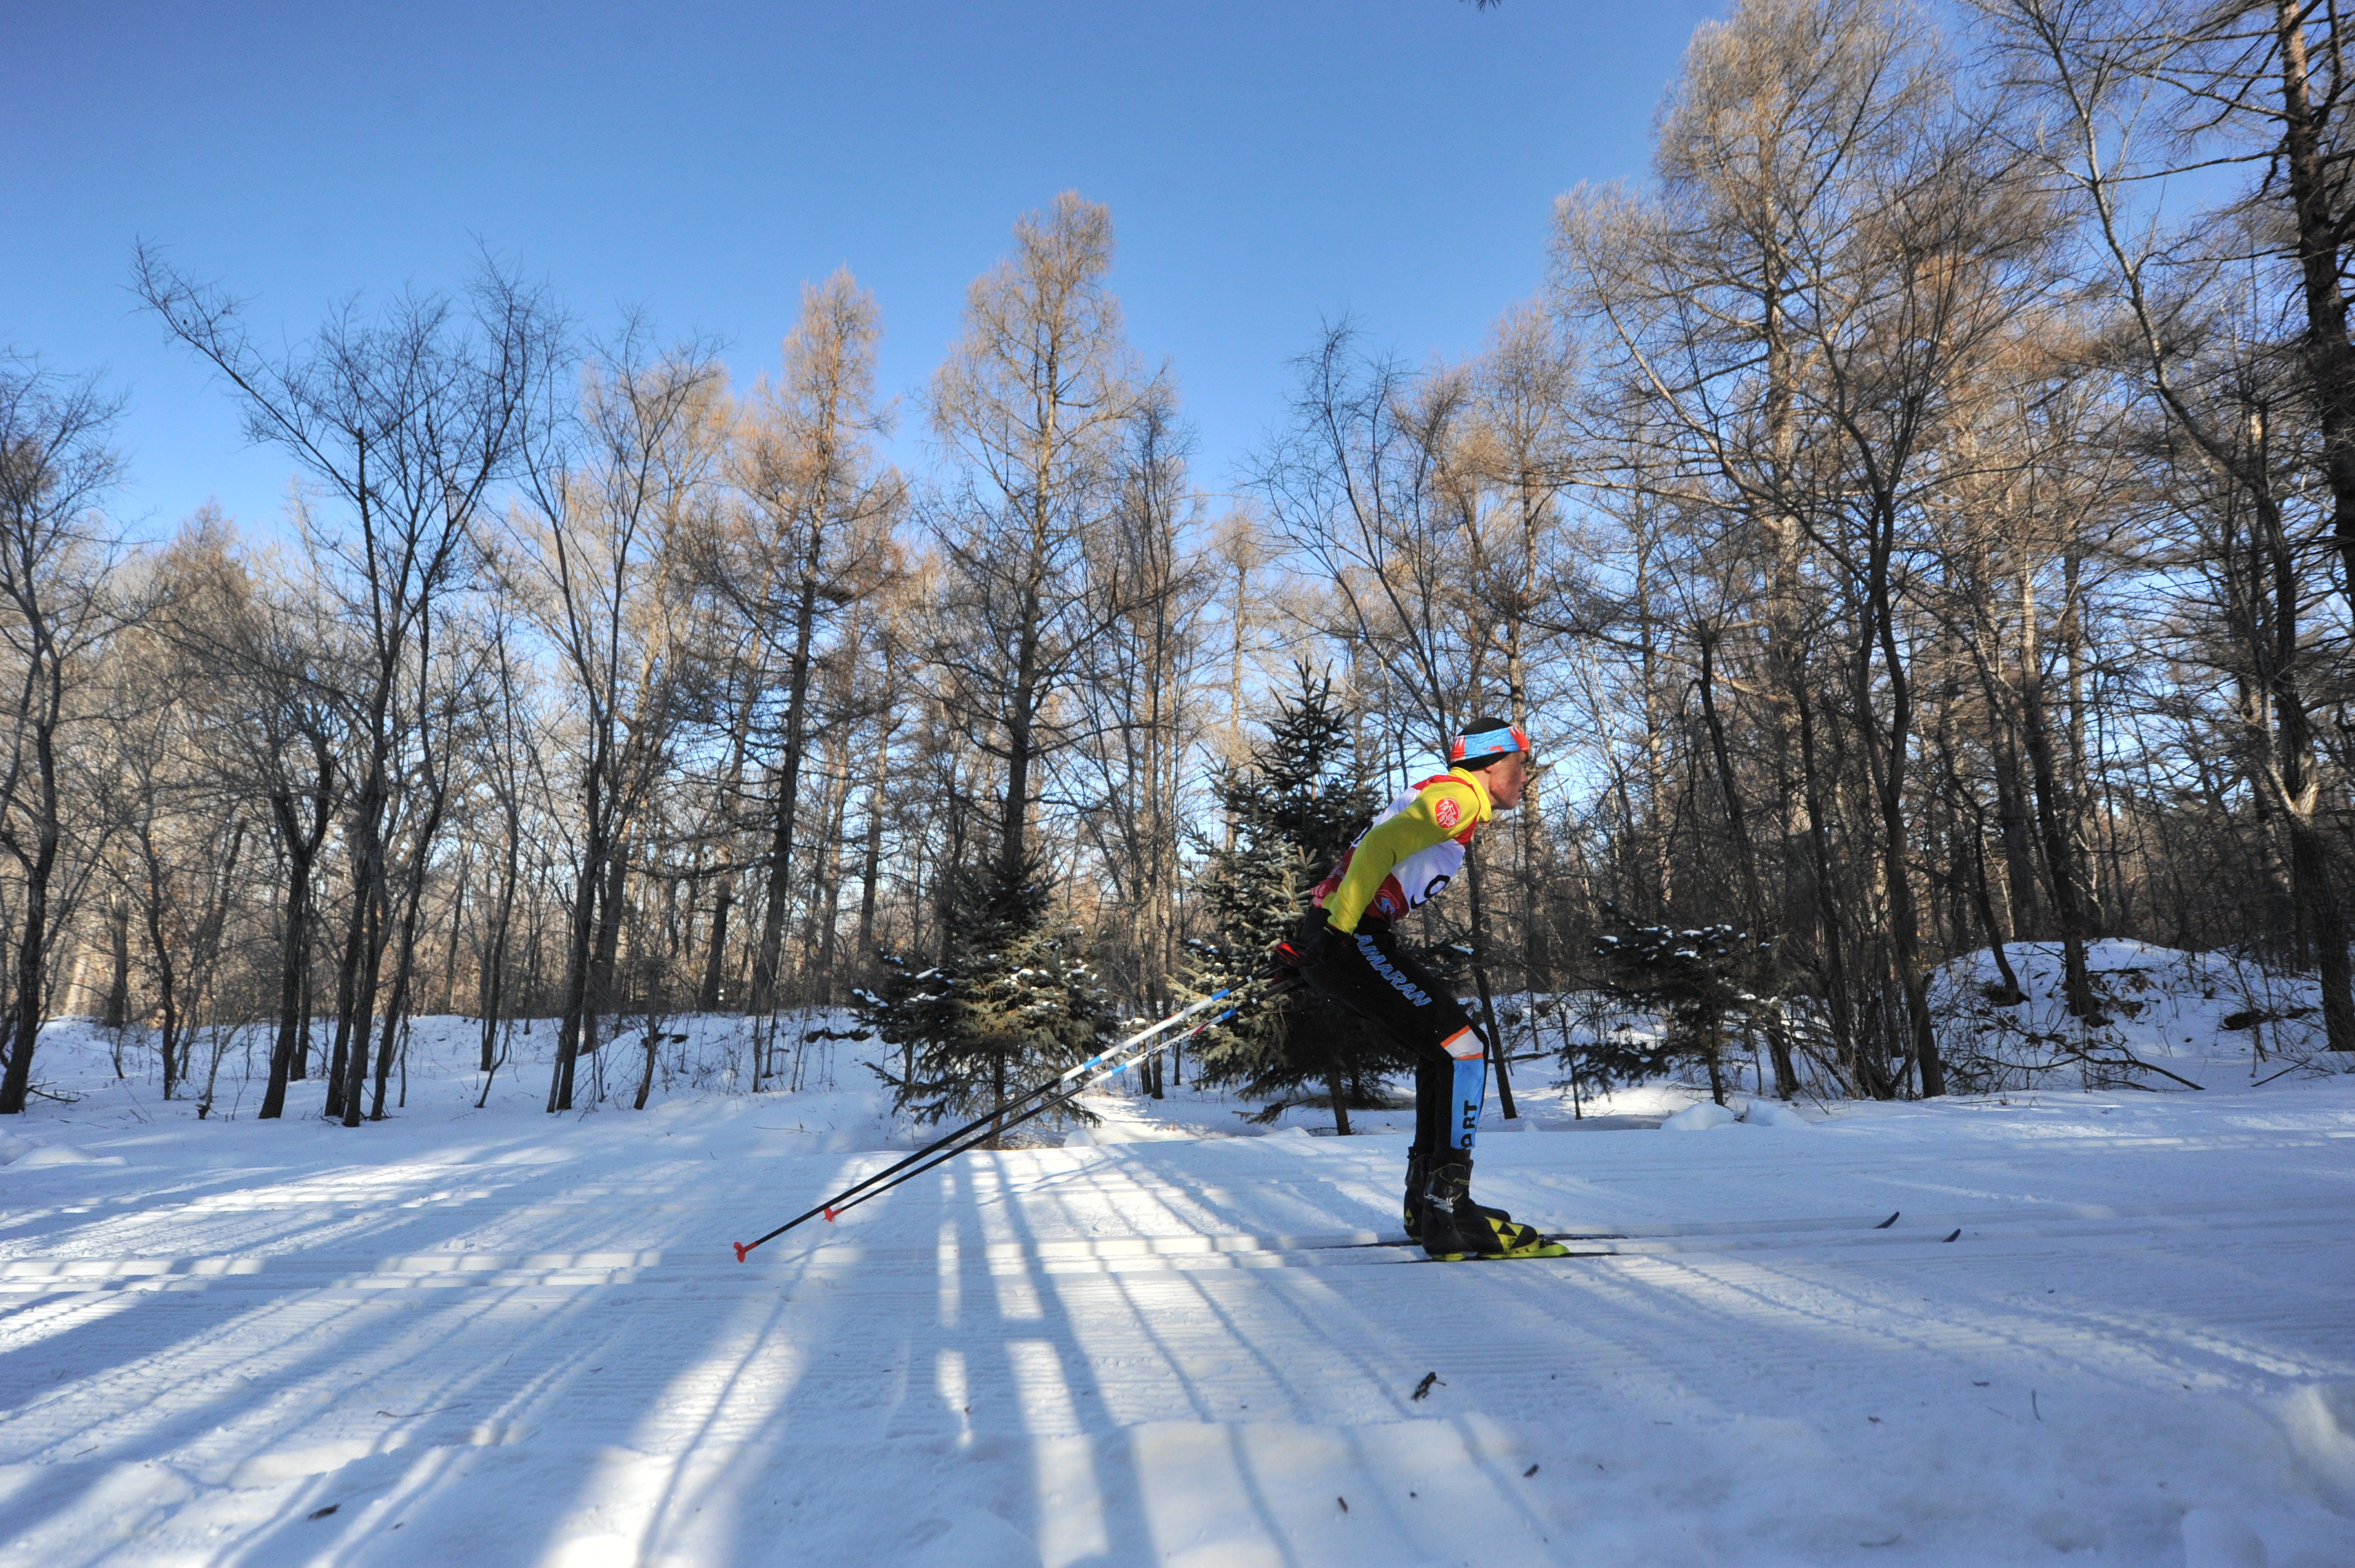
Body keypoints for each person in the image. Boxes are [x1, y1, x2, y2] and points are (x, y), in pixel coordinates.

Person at [1286, 719, 1565, 1261]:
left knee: (1444, 1053)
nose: (1527, 777)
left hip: (1345, 934)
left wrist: (1320, 934)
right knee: (1466, 1050)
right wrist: (1337, 934)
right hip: (1354, 936)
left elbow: (1363, 857)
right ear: (1491, 765)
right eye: (1521, 765)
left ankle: (1428, 1203)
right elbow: (1378, 851)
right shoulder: (1457, 798)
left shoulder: (1449, 798)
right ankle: (1448, 1208)